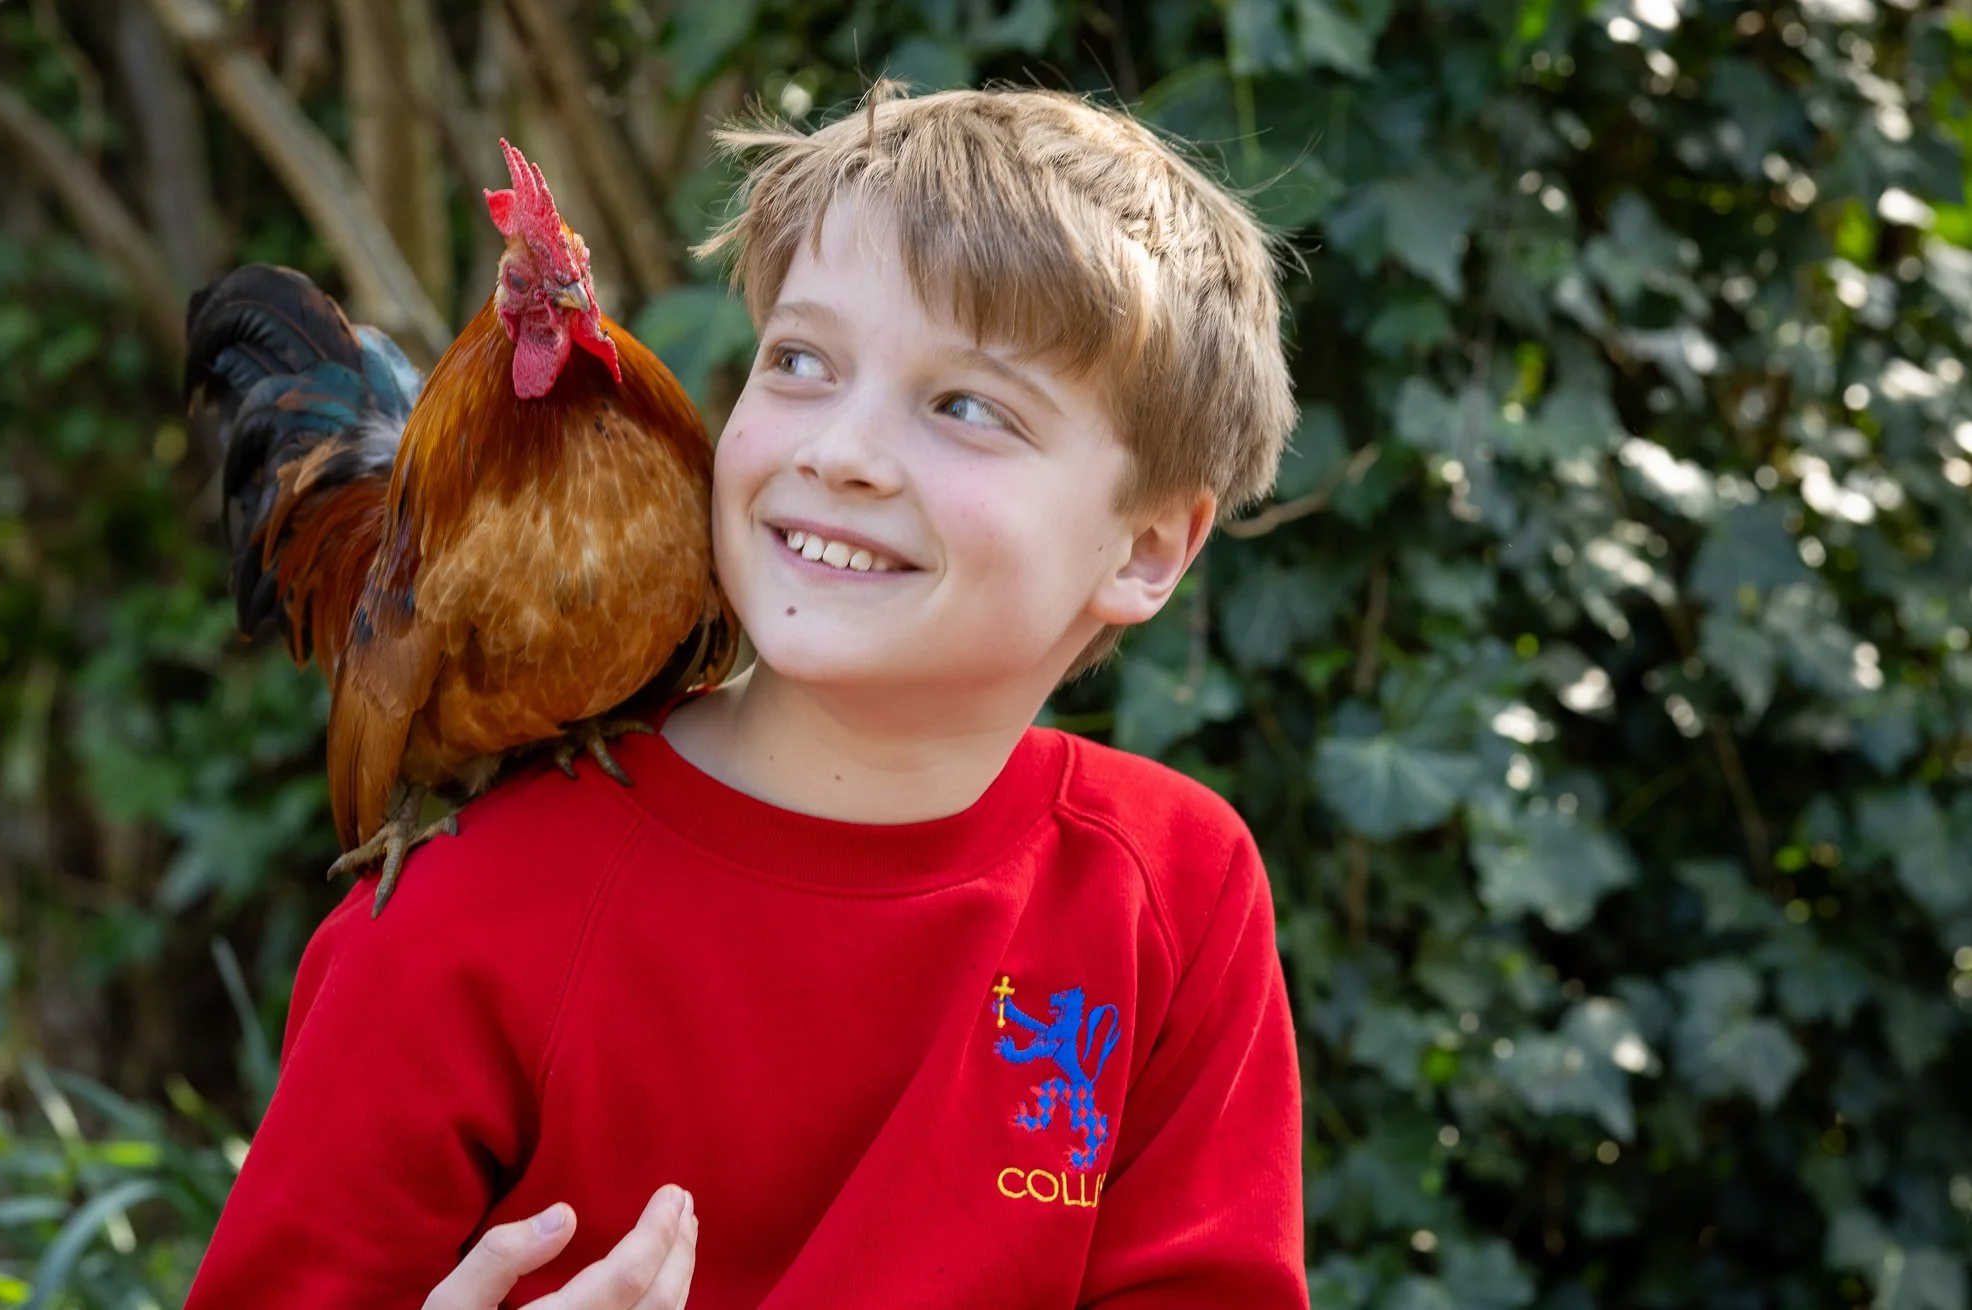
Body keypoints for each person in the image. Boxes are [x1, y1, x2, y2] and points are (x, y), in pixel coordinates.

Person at [182, 83, 1304, 1310]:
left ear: (1144, 549)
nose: (838, 450)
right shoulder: (460, 919)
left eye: (965, 406)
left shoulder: (1173, 885)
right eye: (802, 361)